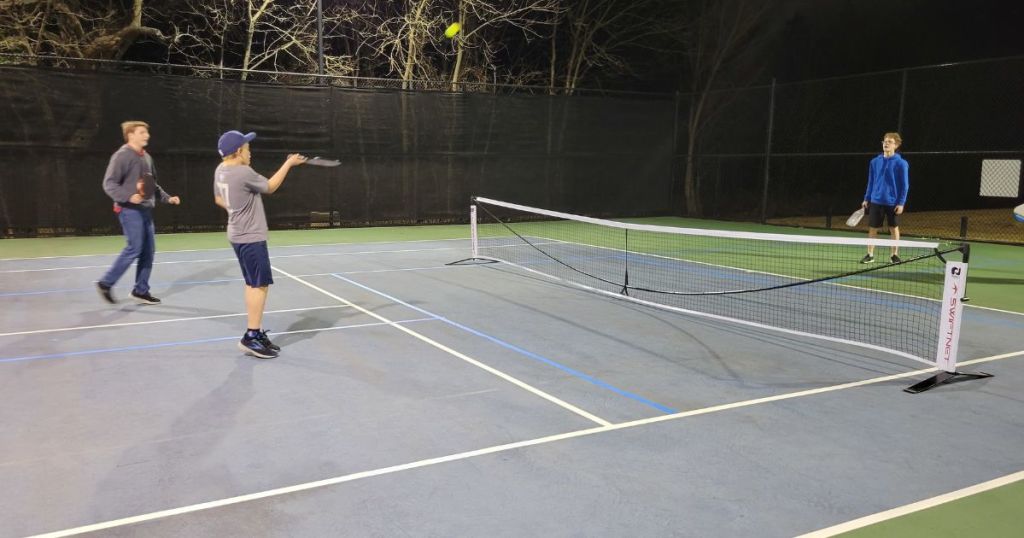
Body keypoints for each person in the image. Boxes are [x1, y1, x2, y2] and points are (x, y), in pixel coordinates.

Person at [214, 130, 306, 359]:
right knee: (259, 285)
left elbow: (218, 199)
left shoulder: (221, 169)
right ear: (238, 152)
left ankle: (255, 333)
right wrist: (288, 164)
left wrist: (236, 209)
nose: (250, 152)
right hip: (250, 236)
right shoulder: (242, 171)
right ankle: (252, 336)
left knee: (252, 282)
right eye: (247, 148)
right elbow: (270, 187)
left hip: (237, 234)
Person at [97, 121, 181, 304]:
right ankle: (106, 283)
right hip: (128, 210)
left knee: (148, 251)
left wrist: (168, 198)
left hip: (144, 210)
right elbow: (109, 184)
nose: (147, 136)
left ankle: (140, 290)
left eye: (147, 132)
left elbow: (152, 185)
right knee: (134, 247)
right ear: (131, 135)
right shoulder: (121, 156)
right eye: (142, 132)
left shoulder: (147, 158)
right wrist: (128, 196)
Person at [860, 132, 909, 264]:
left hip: (893, 203)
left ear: (896, 145)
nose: (886, 143)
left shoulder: (901, 163)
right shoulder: (874, 162)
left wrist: (901, 203)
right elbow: (871, 181)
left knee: (893, 228)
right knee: (873, 228)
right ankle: (870, 254)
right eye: (884, 141)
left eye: (889, 142)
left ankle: (894, 255)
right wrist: (866, 198)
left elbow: (905, 185)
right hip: (876, 200)